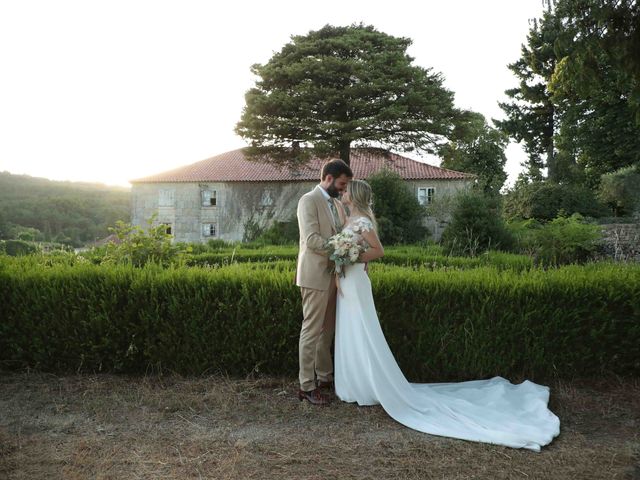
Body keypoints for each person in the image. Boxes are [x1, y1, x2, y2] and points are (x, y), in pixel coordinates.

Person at [334, 179, 561, 451]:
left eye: (346, 190)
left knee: (362, 331)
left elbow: (378, 250)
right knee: (350, 330)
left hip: (356, 280)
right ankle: (354, 383)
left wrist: (353, 256)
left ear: (355, 195)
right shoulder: (349, 218)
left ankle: (369, 385)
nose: (343, 192)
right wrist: (340, 261)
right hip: (346, 280)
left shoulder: (364, 222)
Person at [295, 159, 352, 406]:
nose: (342, 190)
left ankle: (325, 378)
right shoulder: (308, 200)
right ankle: (306, 386)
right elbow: (311, 239)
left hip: (332, 275)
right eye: (341, 184)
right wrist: (342, 247)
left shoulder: (334, 203)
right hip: (314, 275)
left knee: (326, 332)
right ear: (328, 178)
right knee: (311, 330)